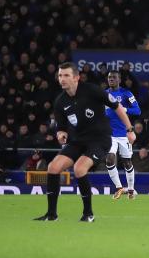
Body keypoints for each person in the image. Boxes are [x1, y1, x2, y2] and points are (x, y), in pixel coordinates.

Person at [35, 62, 136, 222]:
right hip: (78, 140)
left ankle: (88, 214)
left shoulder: (92, 90)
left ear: (76, 78)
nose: (62, 79)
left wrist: (129, 130)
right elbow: (61, 128)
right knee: (53, 167)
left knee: (79, 168)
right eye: (60, 75)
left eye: (66, 75)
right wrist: (61, 134)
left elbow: (117, 107)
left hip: (99, 139)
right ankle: (51, 214)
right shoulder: (60, 101)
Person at [105, 70, 141, 200]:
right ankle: (119, 187)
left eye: (114, 77)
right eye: (109, 78)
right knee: (109, 159)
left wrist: (124, 109)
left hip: (123, 134)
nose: (111, 79)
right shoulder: (104, 95)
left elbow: (137, 111)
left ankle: (131, 189)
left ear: (119, 80)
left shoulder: (126, 94)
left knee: (127, 162)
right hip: (109, 134)